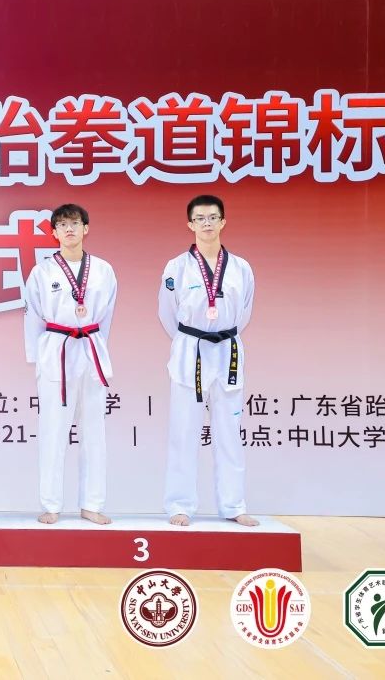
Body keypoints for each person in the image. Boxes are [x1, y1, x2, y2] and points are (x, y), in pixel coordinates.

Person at [160, 194, 259, 528]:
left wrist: (221, 333)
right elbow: (167, 313)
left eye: (212, 217)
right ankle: (179, 505)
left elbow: (244, 312)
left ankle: (233, 505)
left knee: (229, 432)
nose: (206, 223)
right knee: (183, 432)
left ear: (223, 222)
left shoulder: (241, 268)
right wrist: (191, 338)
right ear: (190, 224)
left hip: (227, 350)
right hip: (191, 350)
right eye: (200, 218)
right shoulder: (176, 267)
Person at [24, 204, 116, 526]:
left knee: (94, 431)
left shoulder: (103, 270)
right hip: (56, 351)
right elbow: (33, 318)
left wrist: (98, 344)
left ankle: (92, 503)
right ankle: (51, 504)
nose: (69, 229)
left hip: (91, 348)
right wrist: (39, 358)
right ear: (54, 233)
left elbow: (107, 316)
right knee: (53, 430)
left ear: (86, 228)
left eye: (75, 223)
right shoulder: (42, 272)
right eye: (62, 225)